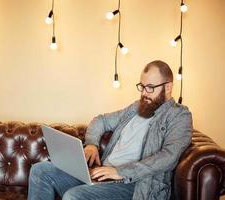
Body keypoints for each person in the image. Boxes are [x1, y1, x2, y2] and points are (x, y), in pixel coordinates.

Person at [27, 60, 193, 200]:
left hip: (134, 186)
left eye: (150, 87)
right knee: (41, 170)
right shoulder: (136, 108)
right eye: (141, 86)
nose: (144, 93)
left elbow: (168, 157)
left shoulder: (179, 116)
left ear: (168, 87)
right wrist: (91, 144)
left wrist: (119, 172)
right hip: (102, 176)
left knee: (74, 196)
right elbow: (102, 120)